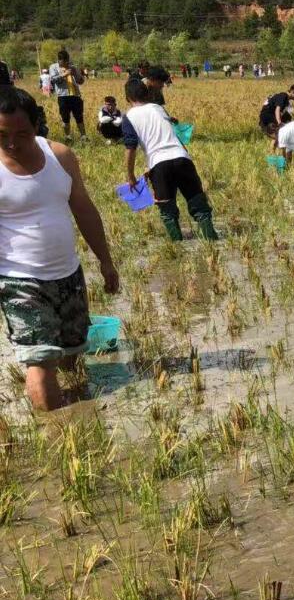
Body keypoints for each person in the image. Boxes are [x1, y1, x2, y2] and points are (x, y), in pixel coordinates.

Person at [0, 87, 120, 411]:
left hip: (68, 273)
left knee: (72, 351)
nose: (11, 143)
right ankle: (60, 436)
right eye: (2, 135)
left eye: (21, 134)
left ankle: (81, 415)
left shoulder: (61, 157)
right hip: (18, 280)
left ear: (37, 124)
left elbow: (84, 210)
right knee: (40, 362)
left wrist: (106, 262)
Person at [122, 79, 219, 243]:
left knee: (167, 210)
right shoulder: (159, 108)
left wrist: (131, 175)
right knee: (199, 204)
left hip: (159, 165)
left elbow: (130, 147)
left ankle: (178, 247)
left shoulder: (129, 117)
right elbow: (168, 135)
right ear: (146, 94)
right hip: (182, 158)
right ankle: (212, 242)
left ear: (127, 98)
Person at [48, 50, 86, 141]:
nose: (66, 63)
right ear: (59, 60)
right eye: (64, 62)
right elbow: (53, 80)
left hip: (76, 95)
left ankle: (84, 136)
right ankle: (68, 137)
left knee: (79, 116)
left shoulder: (72, 67)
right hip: (63, 96)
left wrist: (75, 74)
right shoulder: (53, 67)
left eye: (67, 61)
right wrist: (65, 74)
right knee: (65, 118)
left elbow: (81, 81)